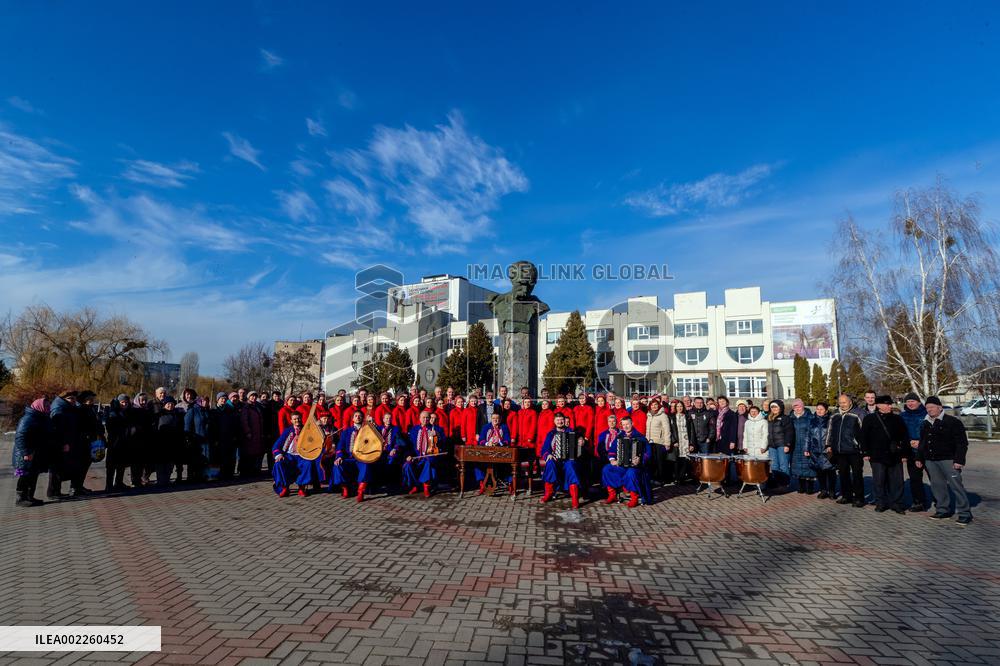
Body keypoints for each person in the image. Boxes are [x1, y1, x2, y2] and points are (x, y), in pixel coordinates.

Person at [917, 396, 972, 525]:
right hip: (931, 460)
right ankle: (943, 510)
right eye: (927, 408)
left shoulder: (952, 422)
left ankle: (964, 513)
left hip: (949, 460)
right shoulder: (925, 423)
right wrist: (919, 457)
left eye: (932, 407)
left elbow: (962, 443)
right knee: (937, 486)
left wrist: (959, 460)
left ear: (940, 407)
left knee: (956, 486)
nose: (929, 410)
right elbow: (923, 442)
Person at [861, 395, 910, 514]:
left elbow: (904, 436)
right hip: (877, 455)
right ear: (878, 405)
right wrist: (865, 452)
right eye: (887, 404)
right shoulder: (870, 418)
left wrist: (904, 454)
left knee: (897, 481)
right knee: (879, 480)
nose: (890, 406)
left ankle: (896, 503)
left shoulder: (897, 419)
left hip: (895, 455)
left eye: (890, 404)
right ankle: (880, 503)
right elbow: (864, 437)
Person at [600, 415, 652, 507]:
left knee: (631, 472)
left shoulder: (640, 437)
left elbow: (648, 453)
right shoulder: (619, 437)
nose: (626, 426)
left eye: (627, 424)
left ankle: (634, 497)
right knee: (606, 469)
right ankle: (612, 495)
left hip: (636, 467)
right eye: (623, 425)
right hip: (622, 465)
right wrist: (612, 460)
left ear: (632, 424)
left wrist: (640, 459)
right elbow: (612, 450)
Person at [825, 394, 866, 507]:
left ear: (850, 402)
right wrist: (828, 444)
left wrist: (863, 447)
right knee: (843, 474)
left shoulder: (859, 413)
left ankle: (859, 498)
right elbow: (830, 430)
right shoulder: (835, 414)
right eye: (840, 402)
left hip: (854, 450)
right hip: (839, 450)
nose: (842, 404)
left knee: (857, 474)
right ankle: (846, 496)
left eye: (844, 402)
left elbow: (864, 432)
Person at [13, 398, 52, 507]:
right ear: (39, 406)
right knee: (25, 475)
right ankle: (20, 499)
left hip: (36, 452)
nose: (49, 408)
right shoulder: (28, 419)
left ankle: (29, 497)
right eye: (46, 406)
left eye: (49, 406)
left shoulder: (41, 417)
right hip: (27, 454)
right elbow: (20, 436)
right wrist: (26, 452)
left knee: (33, 475)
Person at [539, 412, 582, 508]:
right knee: (550, 464)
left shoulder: (571, 432)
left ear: (564, 421)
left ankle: (575, 498)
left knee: (571, 466)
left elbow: (579, 449)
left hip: (568, 460)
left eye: (561, 420)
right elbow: (545, 449)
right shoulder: (551, 434)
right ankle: (548, 494)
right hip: (555, 460)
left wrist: (580, 441)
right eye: (557, 420)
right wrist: (548, 455)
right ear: (554, 421)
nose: (560, 422)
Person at [271, 412, 317, 497]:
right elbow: (276, 446)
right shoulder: (287, 431)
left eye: (298, 418)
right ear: (291, 420)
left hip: (302, 456)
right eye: (295, 419)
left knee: (308, 464)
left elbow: (313, 443)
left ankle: (302, 487)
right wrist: (279, 455)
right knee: (279, 464)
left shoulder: (307, 430)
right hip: (289, 456)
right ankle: (284, 487)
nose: (297, 420)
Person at [898, 392, 930, 512]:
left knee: (934, 477)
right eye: (908, 401)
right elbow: (900, 434)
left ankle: (940, 501)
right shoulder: (902, 416)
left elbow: (930, 433)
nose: (910, 403)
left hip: (926, 451)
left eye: (913, 401)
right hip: (911, 452)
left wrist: (921, 442)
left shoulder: (926, 414)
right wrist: (908, 442)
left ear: (918, 402)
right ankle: (918, 502)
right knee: (915, 478)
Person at [47, 390, 80, 498]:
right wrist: (64, 443)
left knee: (60, 468)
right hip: (59, 443)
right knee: (56, 468)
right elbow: (59, 429)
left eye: (75, 399)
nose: (74, 401)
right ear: (64, 399)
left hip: (66, 442)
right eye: (71, 398)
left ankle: (56, 491)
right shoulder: (59, 409)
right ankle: (53, 492)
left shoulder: (67, 408)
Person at [406, 411, 445, 497]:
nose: (425, 419)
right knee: (408, 465)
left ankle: (426, 486)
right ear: (419, 419)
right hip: (416, 456)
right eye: (423, 417)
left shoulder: (436, 429)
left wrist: (437, 436)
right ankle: (416, 485)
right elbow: (409, 444)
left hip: (429, 455)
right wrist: (409, 455)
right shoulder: (414, 429)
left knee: (429, 462)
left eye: (427, 417)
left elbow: (442, 443)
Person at [475, 411, 512, 495]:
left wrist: (500, 443)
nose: (495, 420)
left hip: (501, 453)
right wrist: (487, 443)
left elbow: (507, 440)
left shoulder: (504, 427)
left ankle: (510, 484)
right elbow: (481, 440)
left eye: (497, 418)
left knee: (510, 465)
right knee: (477, 464)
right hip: (486, 453)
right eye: (493, 418)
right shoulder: (486, 427)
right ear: (491, 419)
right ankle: (482, 485)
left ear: (500, 419)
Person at [807, 402, 836, 499]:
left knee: (830, 471)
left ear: (826, 410)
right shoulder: (812, 420)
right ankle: (823, 490)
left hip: (827, 450)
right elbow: (808, 436)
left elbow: (833, 435)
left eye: (821, 409)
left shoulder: (831, 420)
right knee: (820, 472)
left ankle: (832, 491)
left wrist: (831, 445)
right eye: (817, 409)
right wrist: (806, 448)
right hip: (815, 451)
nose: (819, 411)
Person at [332, 411, 364, 499]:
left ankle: (361, 490)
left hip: (363, 458)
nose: (358, 417)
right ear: (353, 419)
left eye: (360, 416)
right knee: (338, 465)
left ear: (362, 418)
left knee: (366, 466)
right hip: (349, 458)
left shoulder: (367, 430)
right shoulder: (346, 431)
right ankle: (345, 488)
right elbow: (340, 446)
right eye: (356, 416)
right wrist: (339, 457)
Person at [154, 396, 185, 485]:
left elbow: (180, 428)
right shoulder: (159, 415)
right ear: (164, 405)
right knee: (160, 462)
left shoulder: (177, 415)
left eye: (172, 404)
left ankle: (167, 479)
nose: (170, 405)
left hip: (173, 442)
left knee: (169, 462)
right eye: (168, 404)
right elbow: (155, 427)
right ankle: (160, 480)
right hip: (161, 442)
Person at [103, 394, 131, 491]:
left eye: (126, 402)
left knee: (121, 464)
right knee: (111, 465)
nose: (124, 404)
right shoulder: (113, 412)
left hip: (124, 442)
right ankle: (109, 485)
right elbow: (110, 427)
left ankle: (119, 482)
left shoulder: (127, 412)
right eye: (122, 402)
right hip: (114, 442)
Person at [789, 399, 817, 493]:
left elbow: (813, 433)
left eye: (799, 406)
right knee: (797, 466)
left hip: (807, 445)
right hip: (795, 445)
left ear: (803, 406)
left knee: (808, 466)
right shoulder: (790, 418)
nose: (797, 409)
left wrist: (810, 446)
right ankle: (801, 486)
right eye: (795, 407)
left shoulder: (810, 417)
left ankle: (810, 487)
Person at [766, 400, 795, 490]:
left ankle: (784, 484)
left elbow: (789, 432)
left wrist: (787, 444)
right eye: (772, 407)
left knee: (783, 465)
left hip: (782, 445)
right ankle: (777, 483)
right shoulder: (768, 418)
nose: (774, 409)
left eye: (776, 407)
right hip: (772, 446)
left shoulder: (785, 418)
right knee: (774, 465)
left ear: (780, 408)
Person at [184, 395, 210, 483]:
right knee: (194, 460)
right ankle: (191, 478)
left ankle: (202, 476)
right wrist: (188, 438)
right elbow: (187, 425)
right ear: (199, 401)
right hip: (195, 440)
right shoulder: (193, 411)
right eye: (203, 401)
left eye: (207, 401)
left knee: (205, 460)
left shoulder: (207, 411)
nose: (205, 403)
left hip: (206, 440)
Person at [239, 391, 266, 478]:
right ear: (248, 397)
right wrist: (247, 432)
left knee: (255, 453)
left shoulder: (256, 407)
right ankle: (245, 471)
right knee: (247, 454)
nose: (253, 398)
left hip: (257, 434)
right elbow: (244, 421)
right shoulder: (246, 407)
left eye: (255, 396)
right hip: (250, 434)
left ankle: (253, 470)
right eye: (252, 396)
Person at [669, 401, 696, 484]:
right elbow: (670, 430)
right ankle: (676, 478)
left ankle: (682, 478)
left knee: (685, 459)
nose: (679, 408)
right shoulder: (672, 417)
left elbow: (691, 430)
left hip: (685, 440)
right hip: (677, 441)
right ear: (675, 408)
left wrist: (691, 443)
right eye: (678, 406)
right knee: (677, 460)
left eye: (681, 406)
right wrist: (674, 441)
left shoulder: (687, 417)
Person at [645, 399, 671, 485]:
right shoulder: (648, 415)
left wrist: (667, 442)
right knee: (652, 461)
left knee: (660, 461)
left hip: (660, 441)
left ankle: (661, 479)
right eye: (652, 405)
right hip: (650, 441)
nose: (654, 406)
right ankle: (653, 478)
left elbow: (667, 429)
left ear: (658, 405)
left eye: (655, 404)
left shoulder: (663, 415)